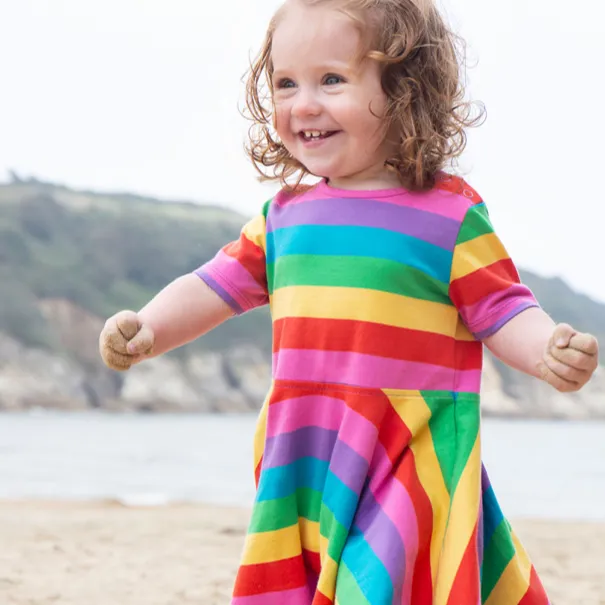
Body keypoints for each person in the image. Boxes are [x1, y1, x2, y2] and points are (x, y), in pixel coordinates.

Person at [99, 0, 599, 602]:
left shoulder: (451, 218)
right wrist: (148, 327)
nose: (303, 103)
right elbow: (214, 286)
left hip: (407, 454)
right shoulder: (283, 219)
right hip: (306, 448)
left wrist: (547, 350)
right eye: (286, 83)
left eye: (331, 79)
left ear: (404, 89)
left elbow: (502, 308)